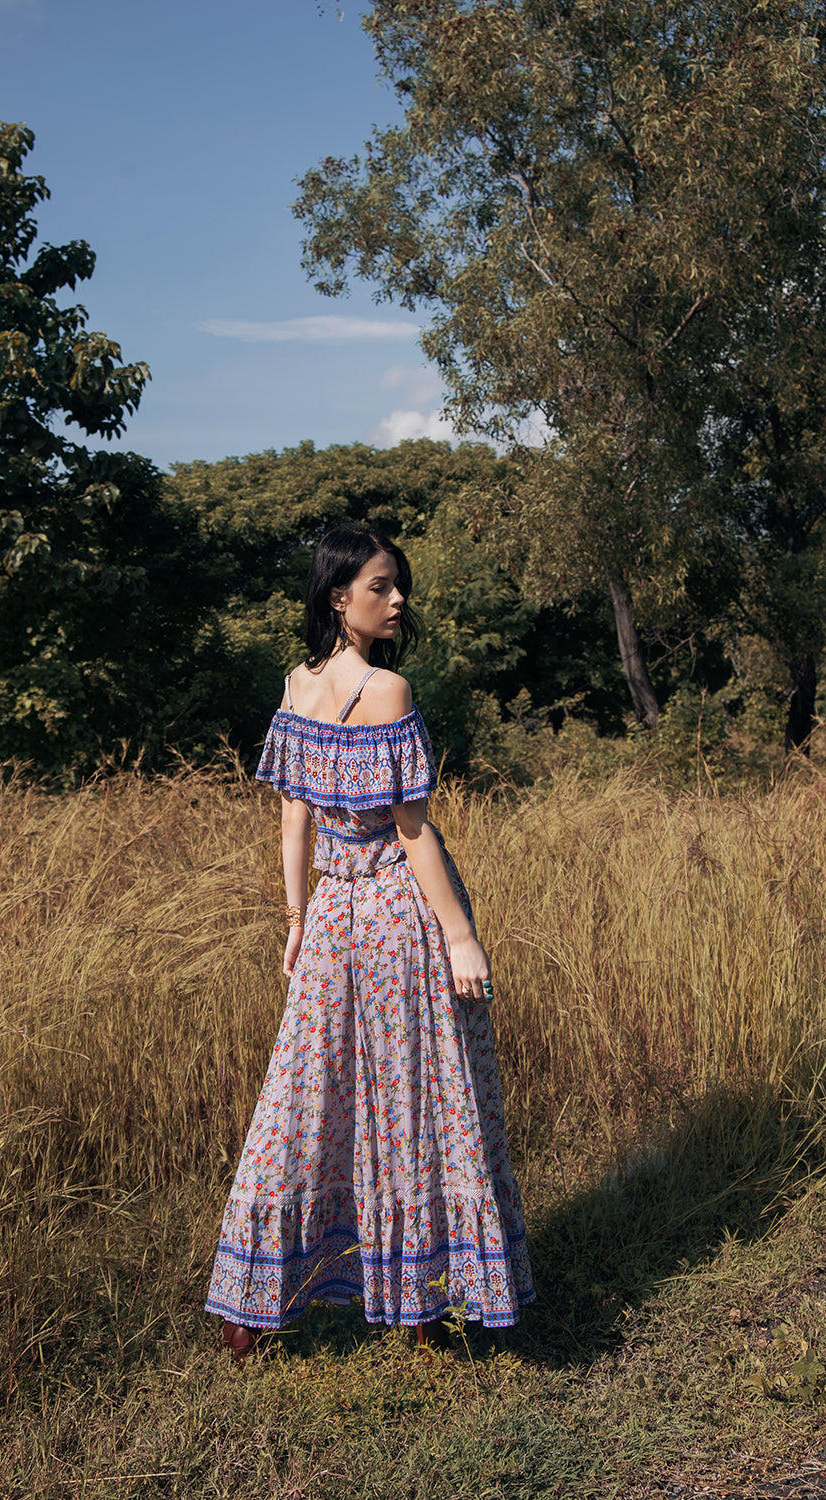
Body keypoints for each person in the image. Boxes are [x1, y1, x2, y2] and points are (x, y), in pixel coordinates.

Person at [206, 526, 534, 1359]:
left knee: (304, 1096)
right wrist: (462, 937)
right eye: (382, 587)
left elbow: (291, 816)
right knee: (416, 1095)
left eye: (398, 587)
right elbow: (413, 829)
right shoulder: (386, 689)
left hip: (330, 914)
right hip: (395, 911)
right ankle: (422, 1301)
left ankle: (255, 1303)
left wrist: (294, 919)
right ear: (336, 598)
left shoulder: (296, 684)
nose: (398, 601)